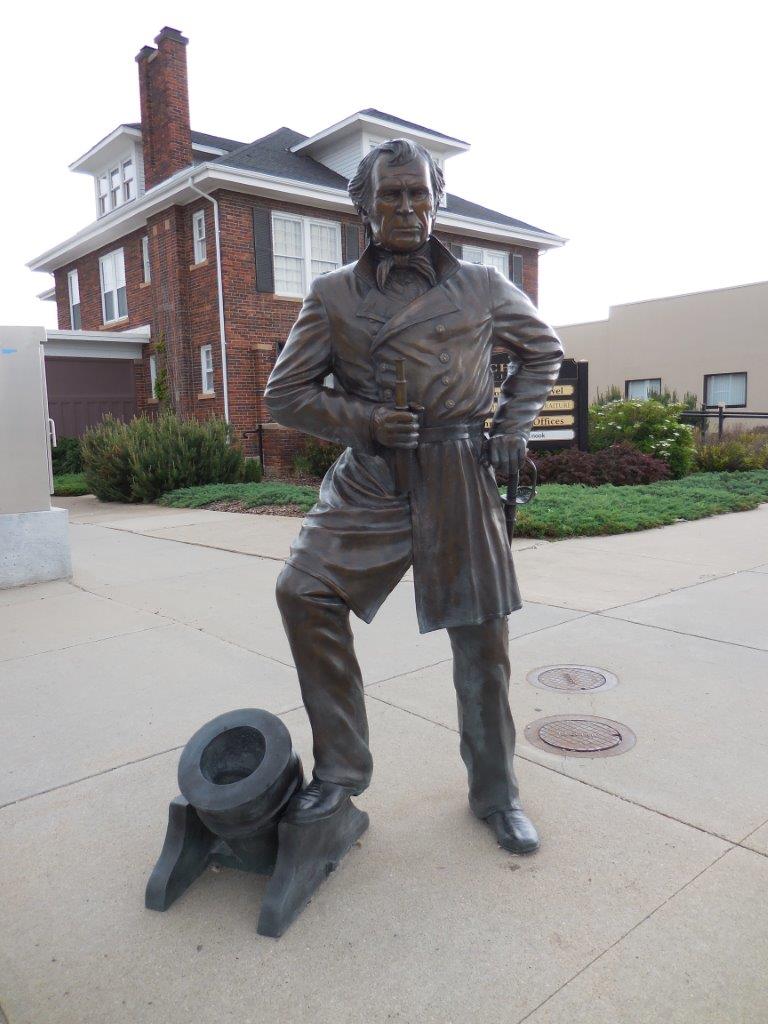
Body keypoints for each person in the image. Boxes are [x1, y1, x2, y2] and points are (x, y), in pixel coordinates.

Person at [264, 138, 563, 853]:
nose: (406, 207)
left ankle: (497, 793)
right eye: (391, 194)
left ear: (438, 201)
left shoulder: (484, 285)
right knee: (302, 593)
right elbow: (286, 393)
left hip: (460, 472)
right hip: (374, 474)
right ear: (363, 207)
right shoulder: (332, 294)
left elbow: (542, 351)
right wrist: (365, 419)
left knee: (483, 643)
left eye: (418, 193)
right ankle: (340, 769)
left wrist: (511, 428)